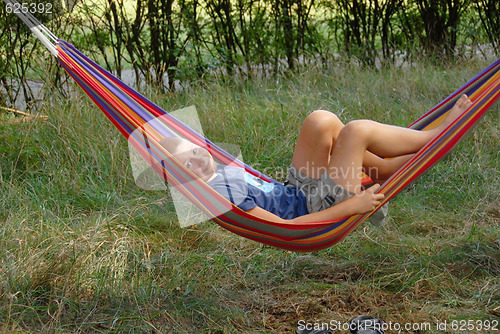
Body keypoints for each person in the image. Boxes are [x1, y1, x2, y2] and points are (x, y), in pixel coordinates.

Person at [159, 94, 472, 225]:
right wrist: (352, 206)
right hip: (315, 206)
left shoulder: (217, 173)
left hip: (297, 191)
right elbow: (285, 227)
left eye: (196, 151)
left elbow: (271, 192)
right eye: (187, 164)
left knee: (319, 121)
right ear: (180, 180)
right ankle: (439, 134)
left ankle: (385, 167)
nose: (199, 160)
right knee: (356, 131)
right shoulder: (219, 193)